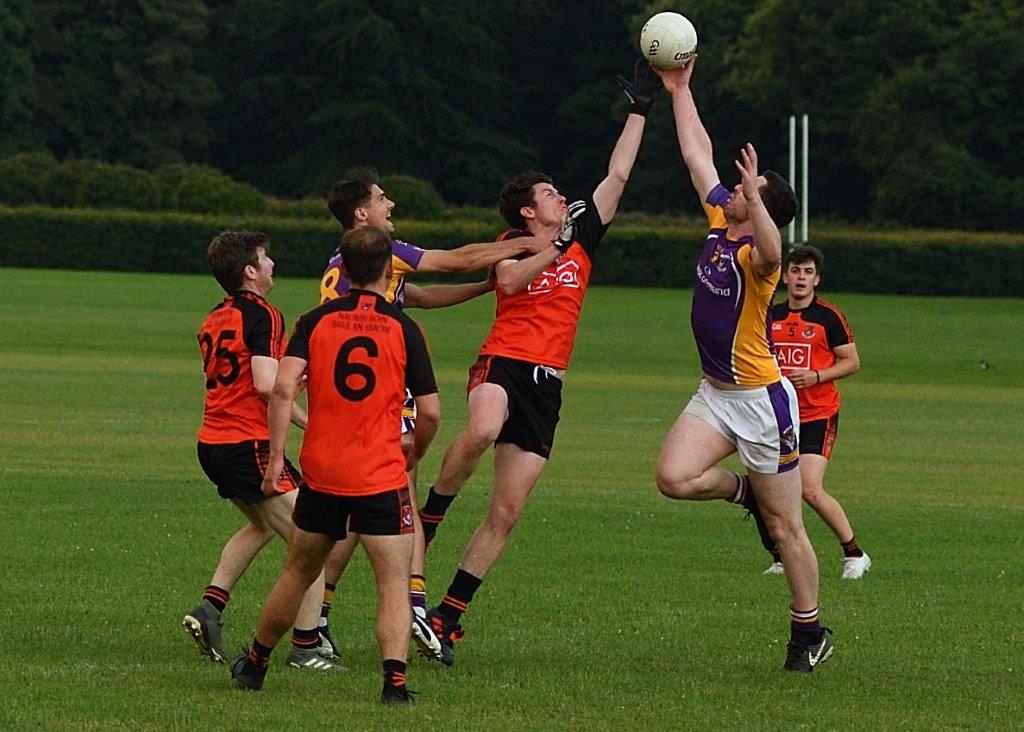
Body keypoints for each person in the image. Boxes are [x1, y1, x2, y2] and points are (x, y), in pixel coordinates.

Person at [412, 61, 661, 666]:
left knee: (508, 510)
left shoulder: (580, 236)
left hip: (548, 383)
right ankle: (432, 513)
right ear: (528, 211)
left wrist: (640, 109)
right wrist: (553, 245)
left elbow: (618, 175)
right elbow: (512, 282)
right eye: (549, 193)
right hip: (502, 363)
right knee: (483, 427)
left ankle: (448, 617)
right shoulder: (516, 241)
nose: (559, 195)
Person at [315, 167, 549, 663]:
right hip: (379, 396)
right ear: (362, 214)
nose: (390, 205)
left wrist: (488, 290)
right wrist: (522, 246)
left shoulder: (350, 264)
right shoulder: (383, 252)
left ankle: (342, 612)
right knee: (389, 504)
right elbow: (454, 260)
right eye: (382, 199)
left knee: (371, 507)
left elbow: (419, 298)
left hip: (345, 398)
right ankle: (390, 610)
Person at [650, 58, 834, 672]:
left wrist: (756, 201)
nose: (729, 193)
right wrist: (681, 90)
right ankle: (746, 496)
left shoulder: (762, 255)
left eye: (745, 194)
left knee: (788, 530)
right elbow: (697, 153)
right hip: (715, 394)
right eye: (736, 192)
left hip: (761, 402)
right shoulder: (718, 220)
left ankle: (808, 631)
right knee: (673, 478)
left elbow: (775, 247)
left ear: (758, 207)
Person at [230, 225, 440, 705]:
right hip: (381, 473)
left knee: (299, 571)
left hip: (324, 470)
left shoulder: (314, 321)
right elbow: (429, 411)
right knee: (391, 581)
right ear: (389, 270)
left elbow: (282, 389)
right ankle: (395, 684)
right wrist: (416, 451)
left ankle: (256, 664)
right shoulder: (405, 327)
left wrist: (276, 458)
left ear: (341, 269)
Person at [183, 230, 341, 673]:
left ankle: (210, 608)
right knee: (313, 541)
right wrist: (299, 386)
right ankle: (307, 647)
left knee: (261, 525)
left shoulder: (215, 316)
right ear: (250, 271)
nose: (272, 264)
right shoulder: (265, 315)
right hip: (245, 443)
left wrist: (307, 418)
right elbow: (268, 385)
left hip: (213, 443)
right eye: (265, 258)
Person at [759, 245, 869, 578]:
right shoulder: (770, 315)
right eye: (795, 271)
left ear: (816, 279)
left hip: (818, 414)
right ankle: (780, 557)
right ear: (785, 276)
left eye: (808, 272)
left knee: (808, 488)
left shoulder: (828, 317)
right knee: (766, 488)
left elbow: (852, 362)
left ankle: (855, 553)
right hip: (778, 415)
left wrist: (816, 376)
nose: (801, 278)